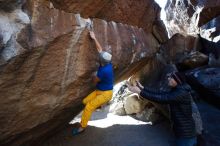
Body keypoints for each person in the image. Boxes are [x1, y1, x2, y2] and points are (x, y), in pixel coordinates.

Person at [126, 72, 197, 146]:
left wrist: (139, 92)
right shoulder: (178, 89)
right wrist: (143, 88)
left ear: (177, 81)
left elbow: (162, 98)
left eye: (171, 77)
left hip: (186, 134)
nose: (168, 78)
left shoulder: (180, 93)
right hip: (182, 131)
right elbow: (160, 93)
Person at [72, 31, 114, 135]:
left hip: (106, 94)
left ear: (101, 61)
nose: (99, 56)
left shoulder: (105, 71)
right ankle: (98, 105)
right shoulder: (107, 62)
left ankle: (82, 127)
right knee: (85, 101)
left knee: (88, 107)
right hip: (99, 91)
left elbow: (95, 80)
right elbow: (100, 50)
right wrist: (94, 37)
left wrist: (92, 74)